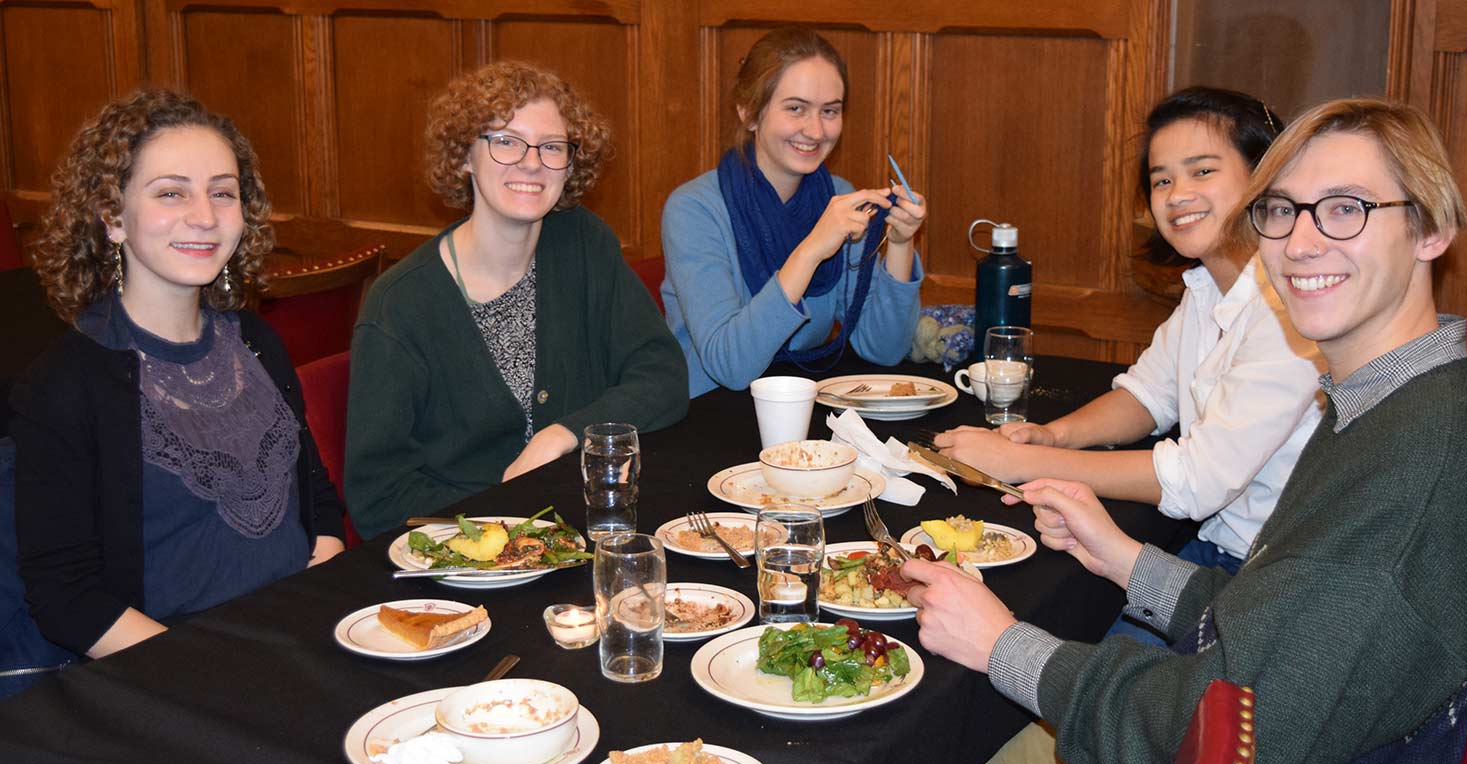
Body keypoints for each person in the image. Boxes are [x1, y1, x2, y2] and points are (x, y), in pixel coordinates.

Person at [902, 98, 1467, 764]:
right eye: (1283, 210)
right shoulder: (1403, 404)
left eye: (1347, 208)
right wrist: (1126, 561)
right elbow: (1283, 622)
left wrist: (1000, 644)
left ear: (1430, 229)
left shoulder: (1418, 463)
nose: (1302, 242)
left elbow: (1229, 734)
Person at [935, 88, 1325, 594]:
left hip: (1271, 574)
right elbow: (1148, 395)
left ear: (1264, 177)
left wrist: (1024, 462)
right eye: (1162, 179)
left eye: (1202, 171)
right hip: (1211, 546)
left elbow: (1198, 480)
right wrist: (1054, 436)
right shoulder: (1208, 287)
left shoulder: (1293, 308)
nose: (1177, 194)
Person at [7, 90, 346, 666]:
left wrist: (321, 592)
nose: (205, 216)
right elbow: (66, 597)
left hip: (302, 632)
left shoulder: (255, 340)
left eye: (222, 192)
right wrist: (203, 668)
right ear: (113, 216)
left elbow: (314, 495)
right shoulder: (64, 384)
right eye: (171, 193)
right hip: (172, 667)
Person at [346, 61, 688, 540]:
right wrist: (499, 523)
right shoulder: (400, 305)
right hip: (465, 555)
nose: (531, 163)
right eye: (506, 141)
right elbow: (378, 498)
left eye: (552, 147)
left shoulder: (583, 242)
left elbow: (663, 375)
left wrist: (565, 434)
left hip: (584, 527)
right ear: (464, 156)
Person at [661, 28, 928, 397]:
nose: (816, 130)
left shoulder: (840, 197)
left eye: (830, 111)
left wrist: (900, 242)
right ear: (749, 112)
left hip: (799, 406)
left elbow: (883, 350)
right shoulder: (694, 209)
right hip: (708, 413)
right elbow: (729, 366)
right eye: (796, 108)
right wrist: (811, 249)